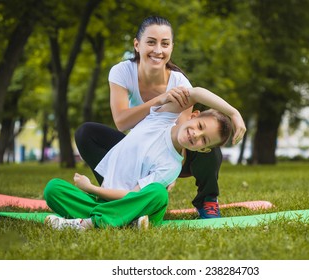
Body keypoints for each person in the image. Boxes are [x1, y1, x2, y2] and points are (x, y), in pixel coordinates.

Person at [75, 16, 235, 219]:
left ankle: (207, 200)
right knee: (86, 133)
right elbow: (122, 122)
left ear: (171, 48)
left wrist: (169, 173)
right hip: (138, 149)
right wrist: (160, 99)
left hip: (174, 154)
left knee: (210, 143)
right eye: (151, 42)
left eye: (165, 44)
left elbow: (184, 131)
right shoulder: (122, 72)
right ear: (136, 44)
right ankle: (113, 193)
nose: (158, 50)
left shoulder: (179, 82)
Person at [44, 86, 246, 230]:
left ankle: (89, 223)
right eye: (200, 127)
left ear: (203, 150)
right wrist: (234, 113)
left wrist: (91, 188)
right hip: (111, 202)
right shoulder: (162, 118)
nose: (196, 135)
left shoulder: (172, 167)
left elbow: (133, 195)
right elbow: (195, 93)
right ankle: (124, 220)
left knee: (158, 194)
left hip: (131, 202)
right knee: (53, 188)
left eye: (204, 141)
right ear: (193, 116)